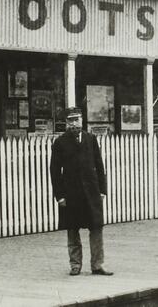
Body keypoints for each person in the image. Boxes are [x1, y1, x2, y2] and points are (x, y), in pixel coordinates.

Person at [49, 107, 113, 276]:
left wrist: (102, 190)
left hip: (92, 192)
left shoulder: (91, 139)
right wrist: (60, 196)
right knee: (72, 229)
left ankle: (97, 264)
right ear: (66, 122)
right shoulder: (60, 142)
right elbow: (54, 172)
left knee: (96, 228)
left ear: (82, 120)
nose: (74, 123)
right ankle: (75, 265)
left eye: (77, 119)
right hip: (71, 194)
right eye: (70, 120)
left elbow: (99, 166)